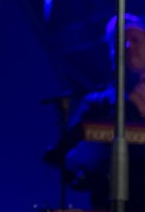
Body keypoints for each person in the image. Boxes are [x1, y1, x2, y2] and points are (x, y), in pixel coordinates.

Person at [45, 13, 145, 211]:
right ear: (110, 53)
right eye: (119, 42)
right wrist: (91, 169)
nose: (128, 46)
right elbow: (63, 160)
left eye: (135, 39)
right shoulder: (96, 104)